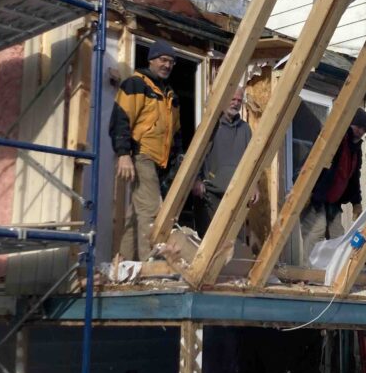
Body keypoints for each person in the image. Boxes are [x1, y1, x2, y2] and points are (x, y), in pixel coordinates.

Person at [109, 39, 180, 261]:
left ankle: (123, 263)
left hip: (160, 162)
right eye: (163, 60)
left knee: (136, 214)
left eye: (171, 62)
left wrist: (178, 160)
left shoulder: (171, 96)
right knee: (151, 211)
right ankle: (150, 265)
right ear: (151, 60)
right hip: (141, 156)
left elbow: (175, 134)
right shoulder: (135, 84)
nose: (167, 65)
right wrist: (123, 154)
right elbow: (120, 120)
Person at [300, 107, 366, 266]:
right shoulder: (336, 139)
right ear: (349, 123)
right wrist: (306, 190)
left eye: (363, 129)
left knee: (339, 237)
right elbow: (312, 163)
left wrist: (356, 202)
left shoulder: (356, 151)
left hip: (334, 202)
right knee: (316, 231)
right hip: (317, 196)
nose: (359, 131)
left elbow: (353, 179)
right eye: (357, 126)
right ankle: (306, 273)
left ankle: (332, 273)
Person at [193, 87, 258, 237]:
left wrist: (254, 185)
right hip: (210, 195)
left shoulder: (245, 129)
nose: (235, 103)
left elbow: (252, 161)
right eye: (232, 99)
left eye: (239, 101)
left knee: (233, 244)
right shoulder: (208, 127)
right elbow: (195, 159)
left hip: (236, 196)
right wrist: (195, 180)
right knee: (209, 241)